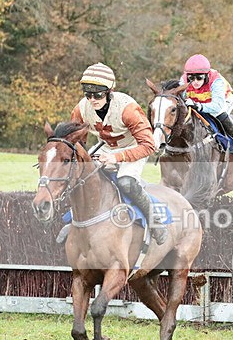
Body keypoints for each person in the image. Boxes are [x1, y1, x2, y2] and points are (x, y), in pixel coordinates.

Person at [57, 62, 167, 245]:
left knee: (126, 182)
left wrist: (116, 158)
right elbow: (78, 143)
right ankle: (74, 221)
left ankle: (155, 221)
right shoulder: (80, 109)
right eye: (88, 94)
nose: (92, 100)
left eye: (98, 94)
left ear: (110, 92)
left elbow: (149, 145)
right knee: (81, 174)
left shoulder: (128, 109)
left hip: (134, 147)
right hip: (105, 146)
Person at [179, 54, 233, 157]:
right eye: (191, 78)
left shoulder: (216, 81)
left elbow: (217, 106)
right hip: (198, 102)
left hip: (222, 102)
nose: (195, 82)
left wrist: (199, 106)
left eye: (199, 78)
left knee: (217, 113)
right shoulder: (183, 80)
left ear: (206, 75)